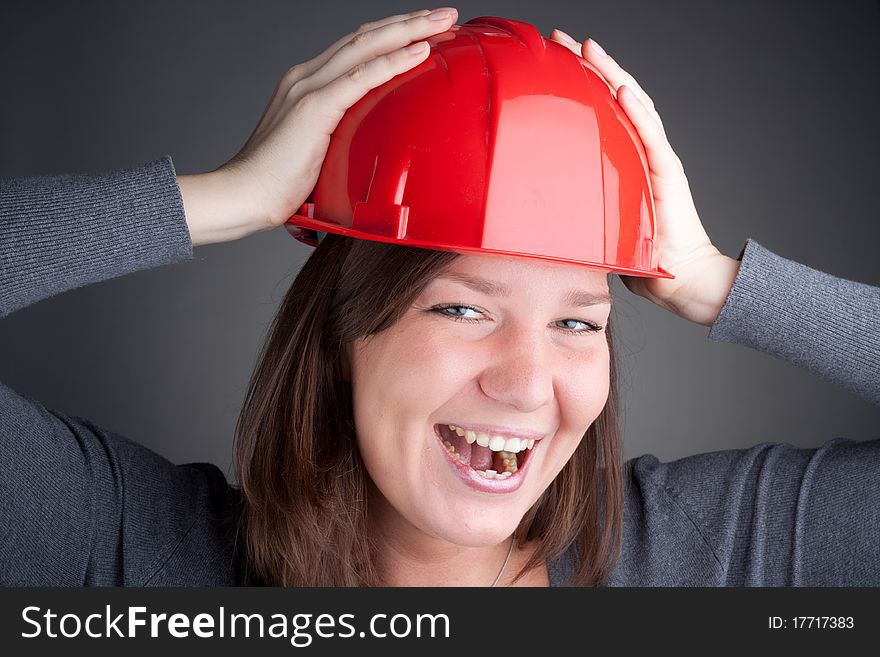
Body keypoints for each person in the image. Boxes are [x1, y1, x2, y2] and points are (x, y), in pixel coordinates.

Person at [0, 8, 878, 587]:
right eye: (463, 307)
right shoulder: (137, 556)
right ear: (343, 335)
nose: (530, 383)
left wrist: (714, 279)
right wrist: (223, 198)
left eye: (578, 321)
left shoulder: (713, 556)